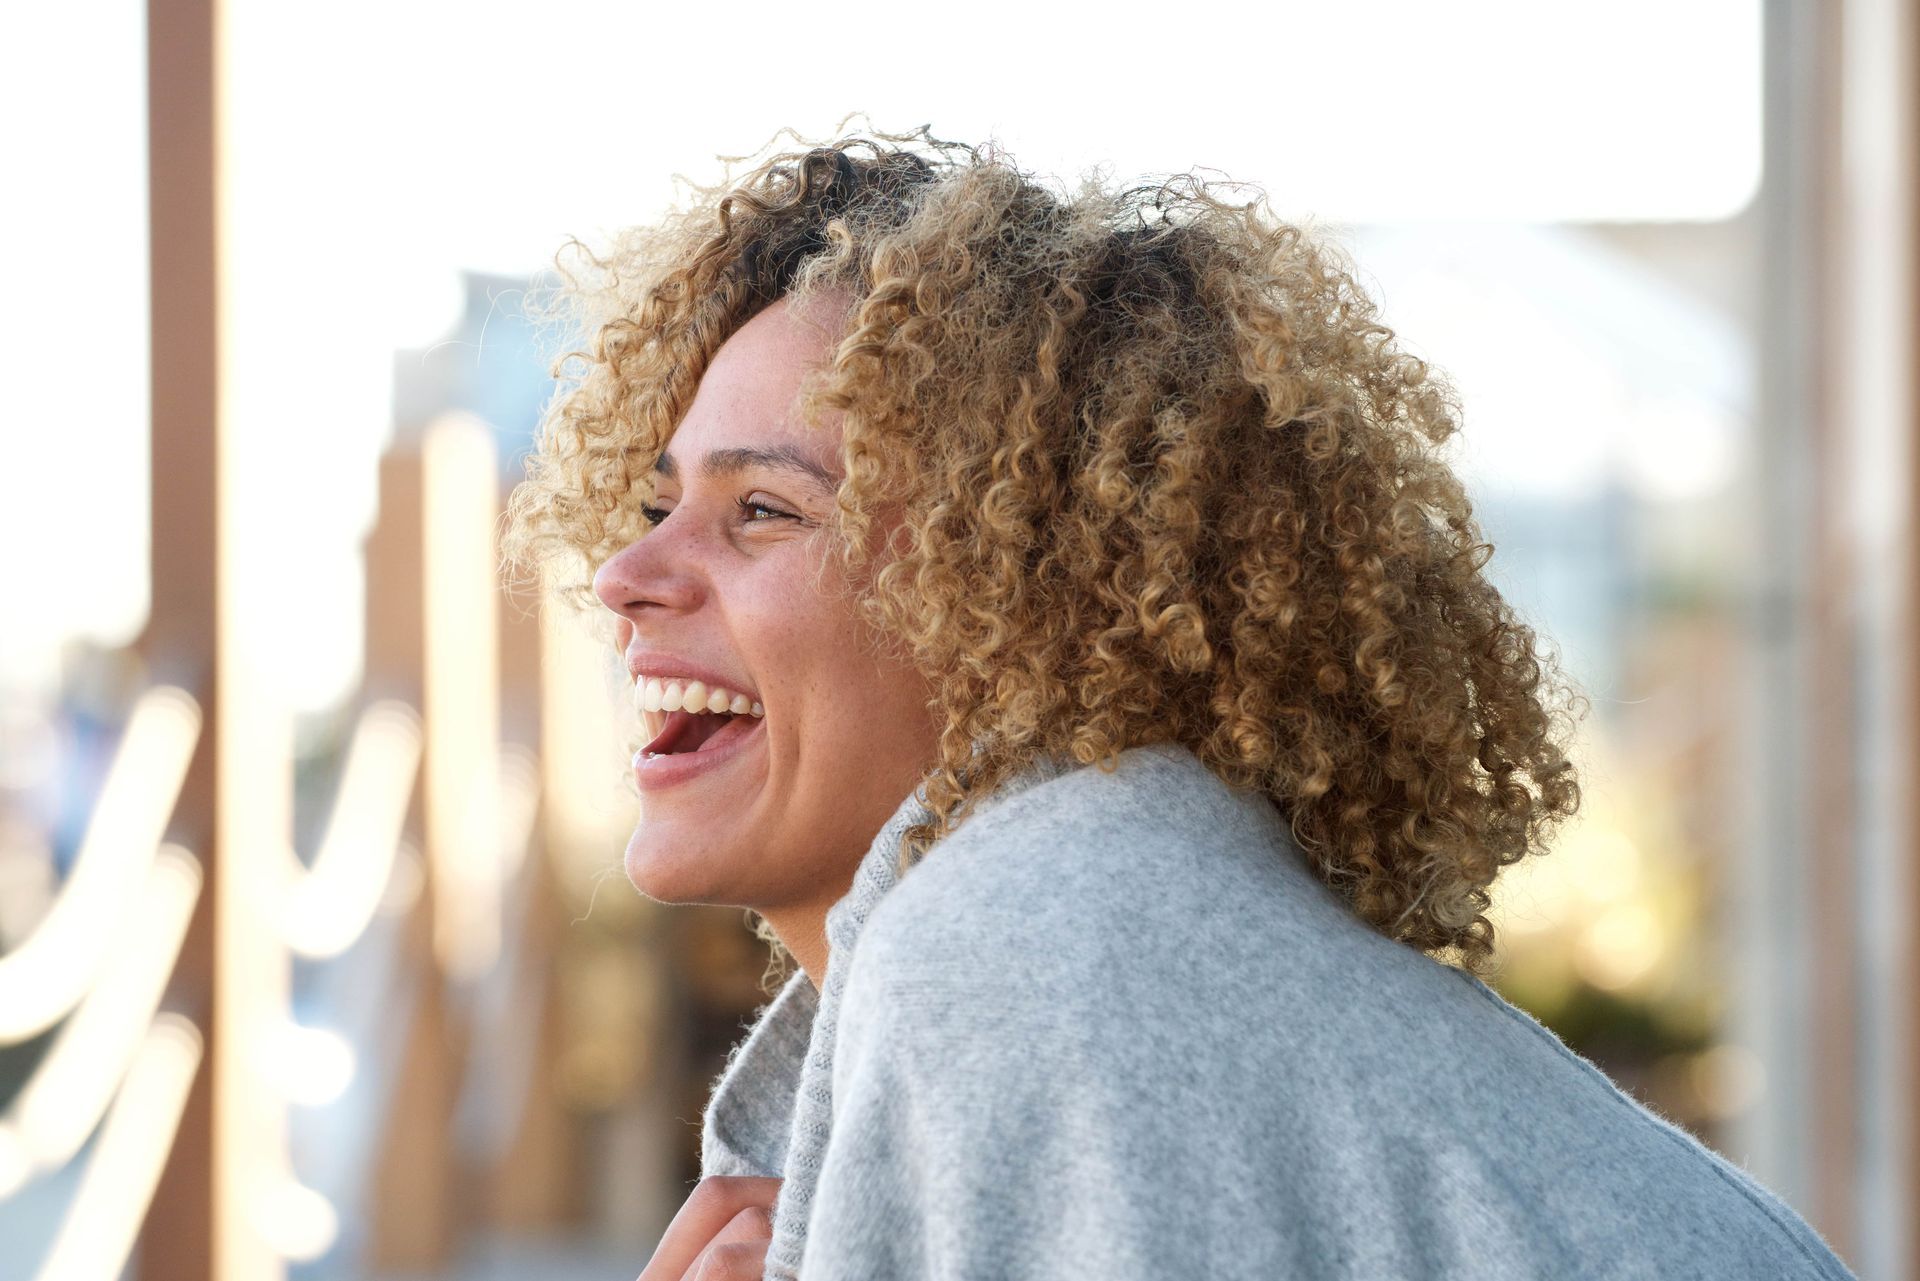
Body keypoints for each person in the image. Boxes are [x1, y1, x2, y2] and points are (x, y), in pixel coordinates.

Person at [502, 127, 1854, 1281]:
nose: (624, 577)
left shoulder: (1035, 944)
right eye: (652, 504)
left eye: (761, 510)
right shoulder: (1082, 934)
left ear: (1021, 591)